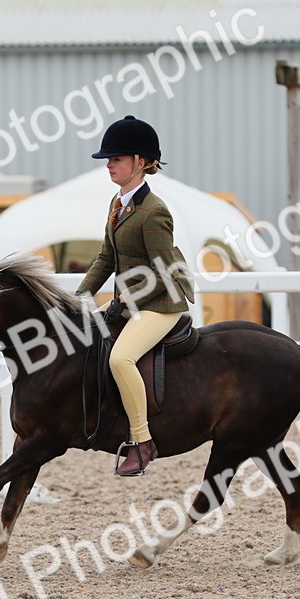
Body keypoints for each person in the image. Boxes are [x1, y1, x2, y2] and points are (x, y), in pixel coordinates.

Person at [77, 116, 195, 477]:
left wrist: (131, 295)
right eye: (108, 159)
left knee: (120, 359)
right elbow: (106, 258)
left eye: (117, 158)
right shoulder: (117, 203)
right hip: (130, 302)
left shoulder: (154, 211)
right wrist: (80, 294)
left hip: (160, 304)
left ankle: (142, 442)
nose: (109, 164)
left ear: (141, 162)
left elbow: (165, 271)